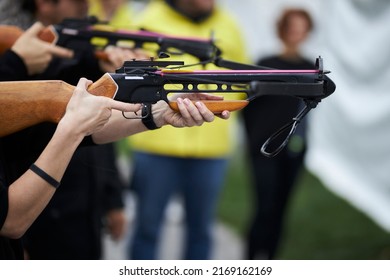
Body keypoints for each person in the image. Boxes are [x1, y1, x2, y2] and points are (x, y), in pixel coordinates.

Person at [126, 0, 249, 260]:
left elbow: (245, 78)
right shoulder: (147, 18)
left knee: (201, 231)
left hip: (211, 147)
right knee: (147, 228)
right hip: (156, 143)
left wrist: (220, 102)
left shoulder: (230, 24)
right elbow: (129, 77)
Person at [242, 8, 314, 260]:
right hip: (263, 150)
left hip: (294, 150)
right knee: (264, 207)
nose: (296, 32)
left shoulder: (310, 70)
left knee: (281, 209)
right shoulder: (267, 64)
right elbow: (247, 108)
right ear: (282, 29)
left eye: (301, 27)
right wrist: (255, 140)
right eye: (292, 26)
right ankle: (251, 262)